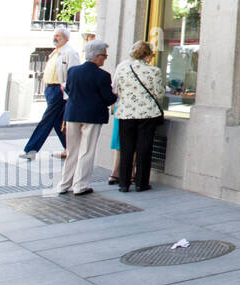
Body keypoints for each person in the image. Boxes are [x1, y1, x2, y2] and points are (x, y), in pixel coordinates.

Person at [55, 40, 116, 195]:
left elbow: (68, 89)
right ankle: (80, 186)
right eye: (104, 55)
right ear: (96, 56)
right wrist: (116, 95)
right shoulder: (103, 76)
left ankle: (63, 184)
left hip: (73, 113)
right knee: (86, 151)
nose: (105, 58)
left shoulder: (73, 71)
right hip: (92, 116)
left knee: (72, 151)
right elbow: (108, 98)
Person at [113, 41, 164, 192]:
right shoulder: (154, 71)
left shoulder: (123, 69)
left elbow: (117, 89)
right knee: (144, 148)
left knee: (126, 148)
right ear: (148, 56)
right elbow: (159, 93)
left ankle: (124, 183)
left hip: (126, 113)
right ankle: (141, 183)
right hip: (147, 114)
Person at [21, 26, 79, 160]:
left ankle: (31, 149)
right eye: (55, 35)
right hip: (50, 89)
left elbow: (74, 72)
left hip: (58, 90)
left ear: (66, 38)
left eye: (58, 36)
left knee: (47, 119)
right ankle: (72, 149)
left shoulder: (70, 52)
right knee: (57, 121)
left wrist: (64, 86)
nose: (55, 37)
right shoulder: (55, 52)